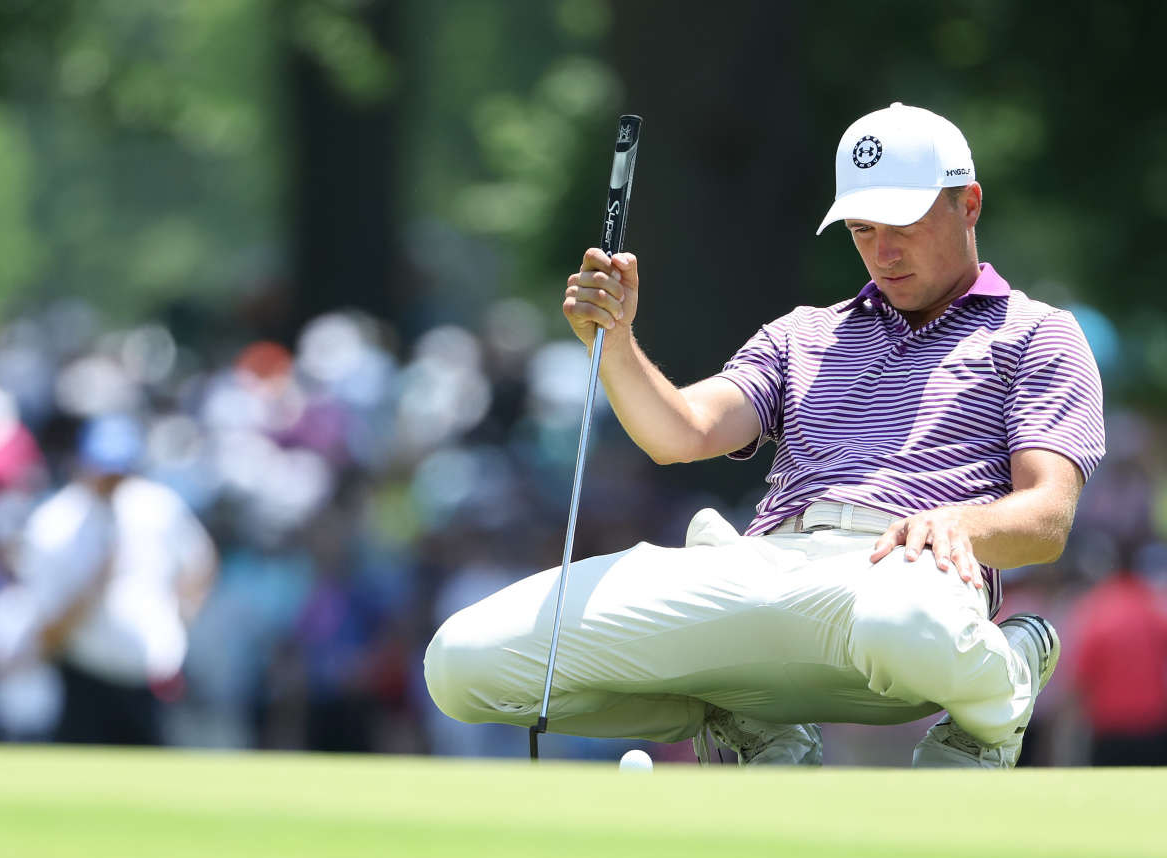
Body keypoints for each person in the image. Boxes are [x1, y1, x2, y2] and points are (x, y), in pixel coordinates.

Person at [425, 103, 1105, 767]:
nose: (883, 252)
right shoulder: (802, 333)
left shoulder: (1038, 333)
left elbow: (1048, 516)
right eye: (862, 229)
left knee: (901, 622)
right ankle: (741, 716)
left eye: (903, 223)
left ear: (969, 205)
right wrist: (619, 343)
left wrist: (958, 524)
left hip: (905, 584)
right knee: (462, 663)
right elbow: (681, 432)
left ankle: (1007, 676)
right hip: (761, 567)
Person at [19, 415, 218, 746]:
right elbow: (46, 632)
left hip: (150, 679)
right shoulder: (53, 526)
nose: (114, 481)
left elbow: (200, 561)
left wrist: (182, 620)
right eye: (106, 471)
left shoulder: (157, 506)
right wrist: (95, 585)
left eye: (122, 471)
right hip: (85, 678)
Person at [1059, 543, 1167, 766]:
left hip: (1110, 726)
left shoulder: (1095, 610)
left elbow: (1080, 677)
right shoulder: (1157, 605)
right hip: (1157, 723)